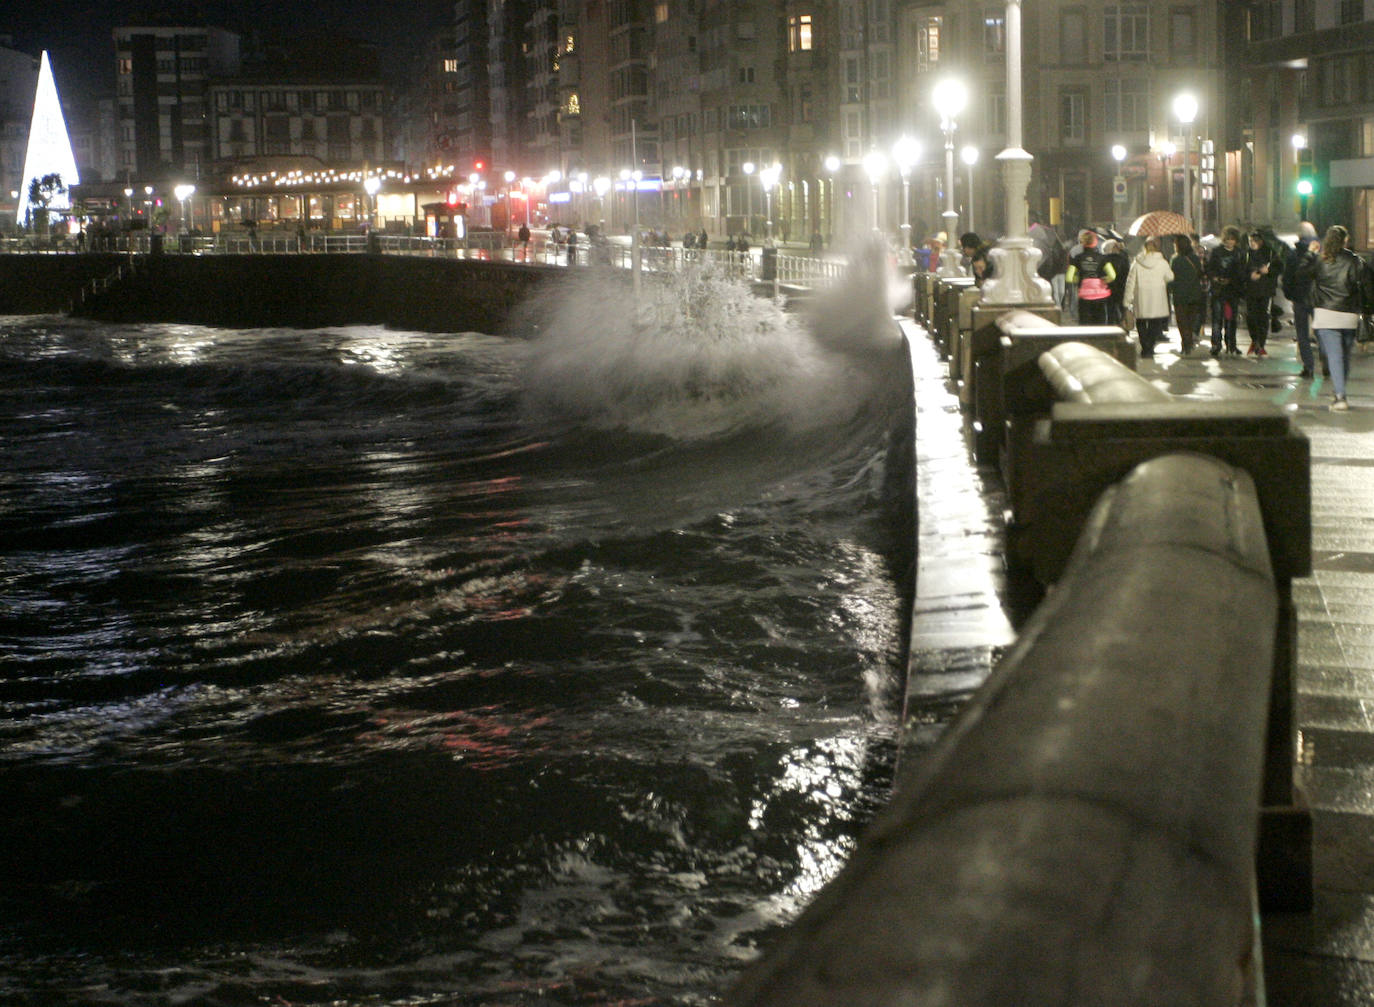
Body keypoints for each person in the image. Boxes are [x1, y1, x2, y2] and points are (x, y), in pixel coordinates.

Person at [1299, 223, 1372, 410]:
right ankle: (1339, 391)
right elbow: (1368, 288)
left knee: (1334, 356)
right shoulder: (1356, 261)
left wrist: (1309, 253)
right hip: (1349, 316)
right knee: (1344, 356)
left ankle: (1340, 396)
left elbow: (1301, 274)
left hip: (1325, 315)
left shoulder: (1320, 260)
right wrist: (1367, 311)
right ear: (1345, 240)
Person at [1122, 236, 1174, 357]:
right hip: (1157, 298)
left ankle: (1144, 346)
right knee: (1155, 323)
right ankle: (1150, 347)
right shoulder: (1162, 262)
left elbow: (1130, 282)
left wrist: (1127, 301)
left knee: (1141, 322)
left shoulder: (1137, 262)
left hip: (1141, 297)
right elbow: (1170, 277)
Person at [1283, 220, 1319, 378]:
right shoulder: (1321, 252)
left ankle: (1308, 366)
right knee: (1322, 332)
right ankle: (1327, 364)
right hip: (1318, 299)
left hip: (1299, 298)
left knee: (1302, 334)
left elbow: (1287, 277)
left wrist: (1289, 294)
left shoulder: (1293, 254)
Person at [1206, 225, 1246, 356]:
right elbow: (1210, 269)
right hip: (1218, 291)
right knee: (1217, 319)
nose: (1230, 241)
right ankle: (1216, 344)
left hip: (1232, 291)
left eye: (1232, 239)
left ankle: (1231, 344)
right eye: (1227, 239)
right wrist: (1216, 278)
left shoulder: (1239, 253)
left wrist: (1233, 280)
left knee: (1231, 319)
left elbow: (1241, 272)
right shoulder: (1217, 252)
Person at [1242, 229, 1283, 356]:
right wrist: (1249, 275)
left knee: (1263, 317)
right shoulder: (1246, 254)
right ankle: (1255, 339)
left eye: (1255, 241)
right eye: (1250, 241)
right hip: (1251, 291)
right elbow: (1240, 270)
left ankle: (1261, 343)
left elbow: (1279, 268)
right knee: (1251, 317)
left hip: (1266, 291)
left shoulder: (1271, 254)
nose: (1252, 243)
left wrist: (1268, 271)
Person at [1066, 230, 1116, 324]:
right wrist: (1105, 280)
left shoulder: (1078, 258)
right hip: (1101, 296)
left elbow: (1069, 277)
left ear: (1083, 242)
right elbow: (1112, 275)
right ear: (1095, 242)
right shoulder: (1103, 258)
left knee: (1085, 325)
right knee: (1100, 325)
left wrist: (1079, 280)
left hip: (1084, 297)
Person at [1169, 234, 1207, 355]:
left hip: (1180, 295)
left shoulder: (1175, 260)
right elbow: (1201, 274)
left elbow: (1171, 278)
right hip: (1194, 294)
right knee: (1190, 321)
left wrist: (1169, 289)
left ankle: (1186, 344)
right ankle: (1188, 343)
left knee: (1182, 321)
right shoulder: (1195, 259)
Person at [1102, 239, 1130, 325]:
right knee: (1122, 309)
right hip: (1122, 288)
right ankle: (1125, 327)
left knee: (1110, 311)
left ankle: (1110, 329)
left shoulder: (1104, 260)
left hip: (1108, 288)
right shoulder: (1124, 259)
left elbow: (1100, 274)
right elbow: (1128, 273)